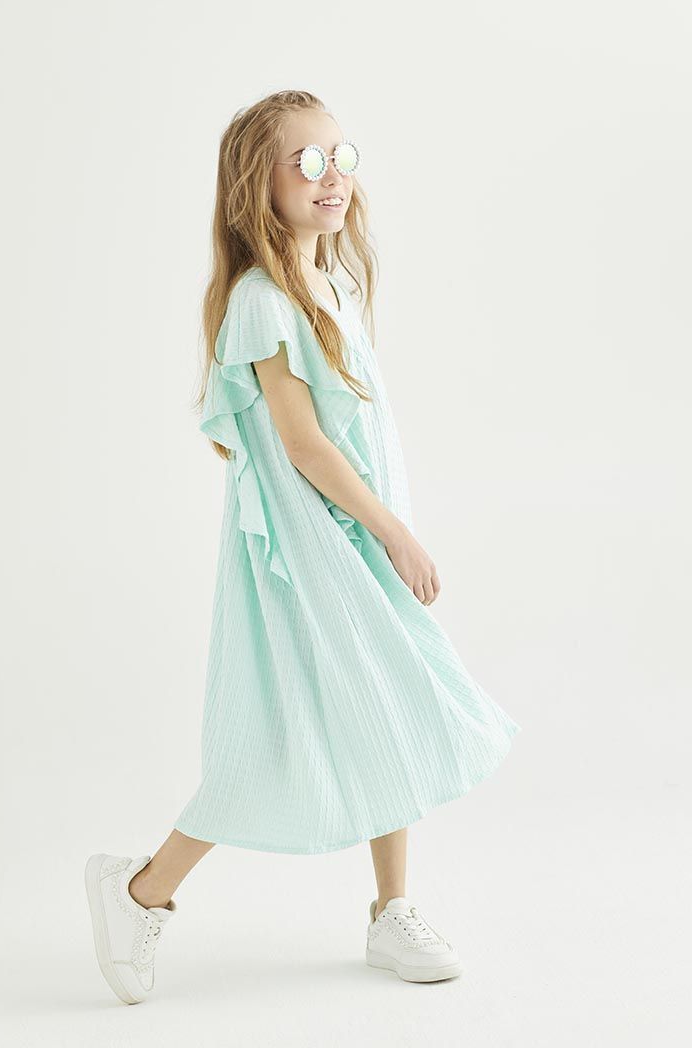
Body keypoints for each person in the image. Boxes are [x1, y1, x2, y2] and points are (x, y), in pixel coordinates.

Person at [84, 89, 522, 1005]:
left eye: (340, 156)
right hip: (312, 545)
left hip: (356, 528)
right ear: (260, 185)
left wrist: (384, 521)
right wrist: (394, 532)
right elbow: (303, 444)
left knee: (392, 697)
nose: (332, 176)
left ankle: (391, 909)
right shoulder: (261, 299)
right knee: (274, 734)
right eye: (307, 161)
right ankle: (141, 891)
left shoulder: (335, 287)